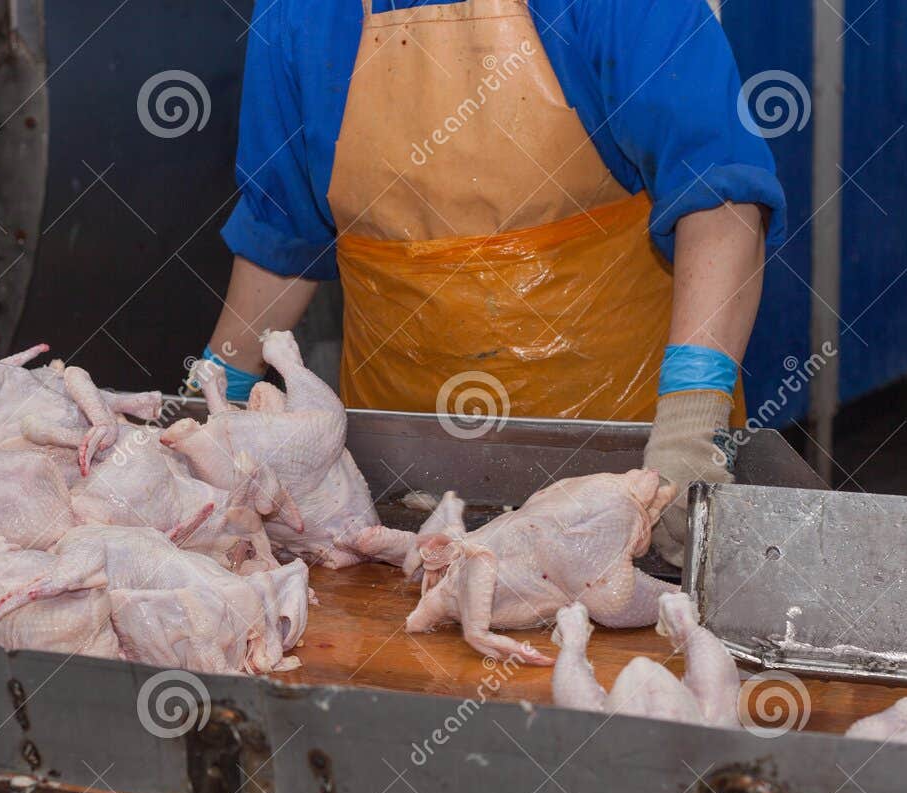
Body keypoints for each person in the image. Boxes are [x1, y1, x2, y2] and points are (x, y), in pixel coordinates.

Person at [198, 0, 786, 564]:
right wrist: (214, 401)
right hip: (396, 505)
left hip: (626, 477)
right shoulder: (299, 11)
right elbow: (282, 234)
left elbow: (721, 199)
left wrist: (687, 431)